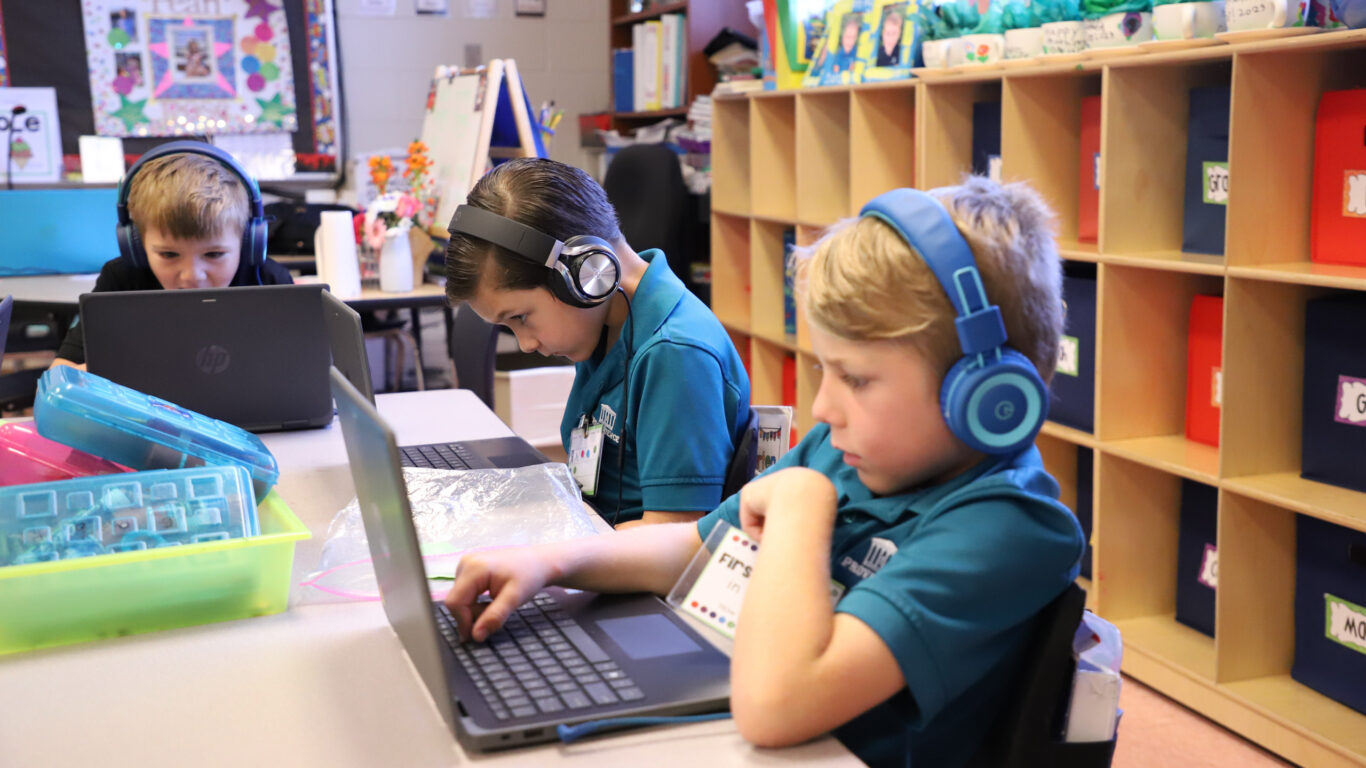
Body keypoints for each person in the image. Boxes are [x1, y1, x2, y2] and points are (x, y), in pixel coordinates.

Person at [442, 177, 1084, 768]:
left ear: (987, 397)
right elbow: (691, 544)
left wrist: (801, 507)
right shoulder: (849, 450)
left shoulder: (1007, 528)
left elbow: (777, 708)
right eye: (823, 372)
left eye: (856, 379)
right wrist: (548, 564)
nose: (825, 409)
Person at [443, 158, 751, 528]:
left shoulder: (675, 354)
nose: (525, 343)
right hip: (597, 535)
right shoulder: (607, 324)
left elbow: (673, 534)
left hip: (644, 577)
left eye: (520, 318)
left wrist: (545, 555)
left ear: (588, 275)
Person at [51, 141, 292, 369]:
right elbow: (61, 371)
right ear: (136, 247)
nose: (192, 276)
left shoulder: (271, 281)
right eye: (168, 254)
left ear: (249, 242)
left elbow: (305, 370)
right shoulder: (120, 282)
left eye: (214, 254)